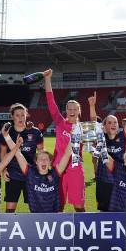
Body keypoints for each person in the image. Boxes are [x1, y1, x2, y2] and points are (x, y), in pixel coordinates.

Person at [88, 87, 126, 211]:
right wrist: (91, 106)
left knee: (120, 210)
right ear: (104, 127)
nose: (113, 125)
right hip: (103, 179)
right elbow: (94, 122)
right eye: (109, 123)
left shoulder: (122, 136)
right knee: (103, 211)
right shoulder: (101, 137)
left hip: (119, 180)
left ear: (118, 126)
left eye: (115, 122)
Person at [43, 68, 86, 211]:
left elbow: (97, 143)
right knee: (58, 206)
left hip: (75, 169)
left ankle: (84, 232)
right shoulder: (61, 123)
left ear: (79, 111)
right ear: (66, 111)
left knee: (79, 206)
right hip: (58, 169)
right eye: (69, 109)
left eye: (75, 109)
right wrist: (48, 79)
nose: (72, 111)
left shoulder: (84, 128)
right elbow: (51, 102)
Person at [3, 129, 73, 213]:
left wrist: (74, 137)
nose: (43, 161)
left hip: (54, 217)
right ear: (36, 162)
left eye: (46, 159)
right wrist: (7, 137)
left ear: (50, 162)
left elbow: (67, 154)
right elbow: (17, 154)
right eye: (40, 159)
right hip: (36, 219)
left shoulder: (55, 173)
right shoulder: (30, 173)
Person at [2, 103, 43, 213]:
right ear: (12, 116)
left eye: (22, 115)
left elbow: (41, 152)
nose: (20, 118)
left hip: (30, 175)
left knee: (35, 208)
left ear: (26, 115)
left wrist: (41, 170)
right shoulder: (7, 132)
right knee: (9, 211)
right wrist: (4, 169)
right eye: (17, 115)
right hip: (13, 174)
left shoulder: (35, 132)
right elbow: (3, 153)